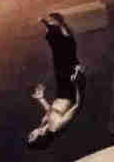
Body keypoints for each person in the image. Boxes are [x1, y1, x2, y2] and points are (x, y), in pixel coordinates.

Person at [27, 13, 86, 149]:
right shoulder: (57, 127)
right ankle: (60, 24)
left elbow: (51, 112)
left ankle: (52, 28)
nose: (30, 134)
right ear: (39, 138)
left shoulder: (44, 125)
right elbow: (77, 106)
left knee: (58, 58)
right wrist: (77, 83)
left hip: (61, 91)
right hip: (71, 91)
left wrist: (41, 99)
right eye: (31, 137)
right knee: (69, 54)